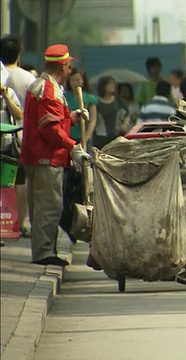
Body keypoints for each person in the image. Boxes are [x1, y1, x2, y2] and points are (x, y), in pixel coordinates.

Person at [21, 44, 90, 266]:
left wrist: (72, 116)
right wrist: (73, 146)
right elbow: (50, 129)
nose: (71, 70)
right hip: (46, 157)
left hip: (37, 156)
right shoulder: (49, 90)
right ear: (62, 66)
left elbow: (52, 120)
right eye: (69, 66)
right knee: (49, 207)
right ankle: (44, 254)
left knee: (41, 207)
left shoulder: (42, 86)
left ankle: (44, 250)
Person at [0, 35, 36, 238]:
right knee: (19, 180)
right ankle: (19, 222)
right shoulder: (28, 79)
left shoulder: (3, 77)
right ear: (18, 55)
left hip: (6, 136)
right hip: (21, 136)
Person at [93, 76, 131, 149]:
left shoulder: (119, 101)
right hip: (100, 138)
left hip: (116, 137)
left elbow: (127, 114)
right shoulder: (96, 102)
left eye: (114, 84)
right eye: (110, 84)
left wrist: (124, 125)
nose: (113, 86)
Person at [64, 68, 98, 145]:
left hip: (84, 136)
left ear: (83, 81)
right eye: (73, 80)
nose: (76, 83)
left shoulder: (90, 98)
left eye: (78, 80)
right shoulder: (64, 97)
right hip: (68, 137)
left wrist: (85, 138)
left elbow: (93, 120)